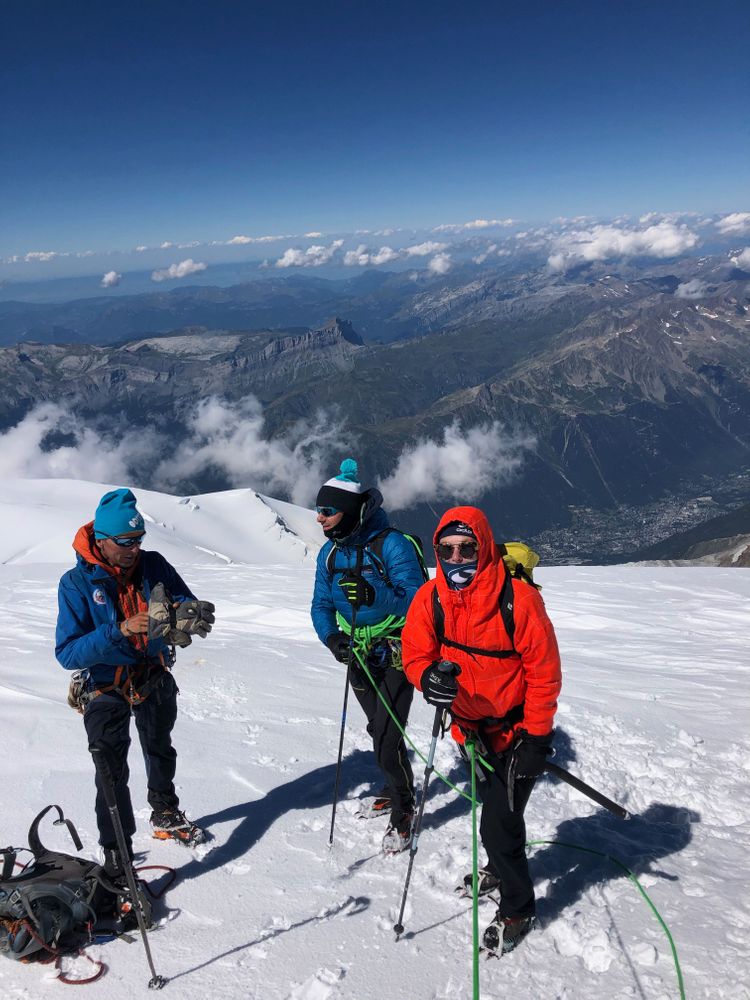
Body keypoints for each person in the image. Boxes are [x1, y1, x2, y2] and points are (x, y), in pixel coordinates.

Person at [401, 506, 562, 954]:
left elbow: (544, 673)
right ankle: (497, 865)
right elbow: (415, 652)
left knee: (497, 822)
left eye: (467, 548)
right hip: (470, 730)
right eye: (446, 550)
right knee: (496, 815)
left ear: (484, 547)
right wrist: (427, 676)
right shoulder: (431, 598)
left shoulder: (519, 602)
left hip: (517, 734)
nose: (457, 559)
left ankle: (518, 907)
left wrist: (537, 737)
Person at [56, 488, 215, 878]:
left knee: (160, 748)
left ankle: (164, 810)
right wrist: (120, 630)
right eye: (125, 542)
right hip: (105, 685)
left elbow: (183, 601)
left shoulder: (154, 565)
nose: (134, 549)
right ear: (102, 540)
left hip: (154, 673)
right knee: (110, 771)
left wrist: (184, 618)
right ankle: (117, 851)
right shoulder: (76, 583)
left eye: (138, 539)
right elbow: (68, 653)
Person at [310, 459, 427, 853]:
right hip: (358, 652)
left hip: (397, 651)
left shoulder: (391, 544)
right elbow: (320, 606)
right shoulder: (329, 554)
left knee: (388, 736)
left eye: (327, 511)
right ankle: (394, 785)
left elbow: (419, 602)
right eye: (319, 510)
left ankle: (404, 809)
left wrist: (378, 596)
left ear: (351, 512)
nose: (319, 518)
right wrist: (332, 639)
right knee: (379, 731)